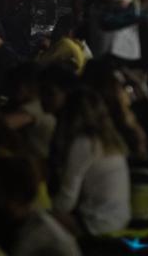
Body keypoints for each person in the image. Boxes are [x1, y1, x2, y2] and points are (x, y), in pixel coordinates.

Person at [50, 89, 131, 237]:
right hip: (120, 218)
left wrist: (48, 209)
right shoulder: (111, 140)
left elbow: (68, 199)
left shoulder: (85, 143)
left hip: (97, 222)